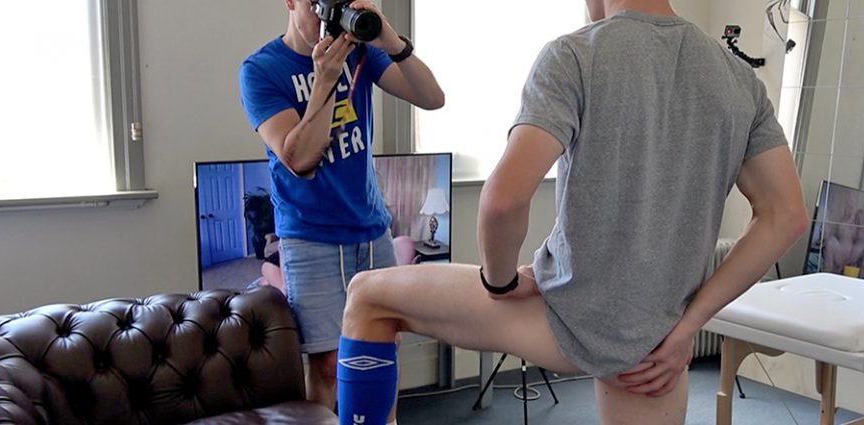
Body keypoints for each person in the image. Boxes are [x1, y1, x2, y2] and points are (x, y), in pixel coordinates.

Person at [337, 0, 808, 423]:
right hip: (654, 346)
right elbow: (786, 216)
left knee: (368, 296)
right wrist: (689, 326)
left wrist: (500, 282)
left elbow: (502, 201)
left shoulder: (576, 54)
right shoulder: (739, 79)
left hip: (564, 317)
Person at [238, 0, 444, 421]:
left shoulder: (362, 52)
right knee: (328, 365)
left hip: (372, 229)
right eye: (319, 4)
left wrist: (390, 39)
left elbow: (432, 98)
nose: (328, 17)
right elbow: (299, 159)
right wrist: (325, 82)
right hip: (309, 235)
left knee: (383, 352)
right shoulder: (261, 69)